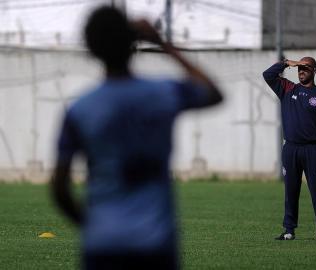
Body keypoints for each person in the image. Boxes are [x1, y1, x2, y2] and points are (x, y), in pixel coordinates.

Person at [50, 6, 222, 270]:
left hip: (102, 245)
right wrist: (163, 44)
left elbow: (60, 190)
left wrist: (94, 225)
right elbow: (213, 93)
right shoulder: (163, 93)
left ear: (91, 48)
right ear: (133, 43)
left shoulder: (80, 110)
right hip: (155, 243)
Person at [262, 57, 316, 241]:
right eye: (300, 68)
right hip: (291, 149)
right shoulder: (288, 89)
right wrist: (286, 63)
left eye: (306, 68)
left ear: (314, 71)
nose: (301, 71)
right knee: (291, 191)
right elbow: (267, 75)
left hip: (312, 150)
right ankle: (289, 230)